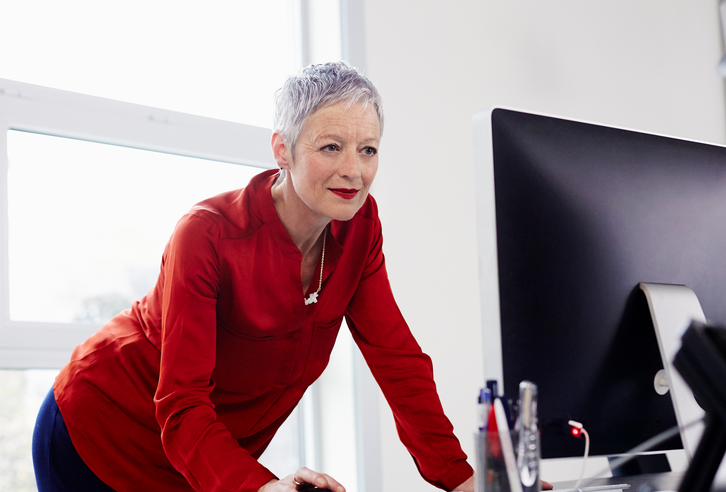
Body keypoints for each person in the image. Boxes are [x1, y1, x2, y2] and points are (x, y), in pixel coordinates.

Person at [31, 61, 476, 492]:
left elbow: (396, 359)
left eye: (368, 149)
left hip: (204, 463)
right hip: (100, 434)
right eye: (330, 147)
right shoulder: (207, 233)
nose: (354, 171)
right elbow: (182, 403)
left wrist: (462, 478)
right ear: (283, 149)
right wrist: (258, 485)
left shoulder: (360, 226)